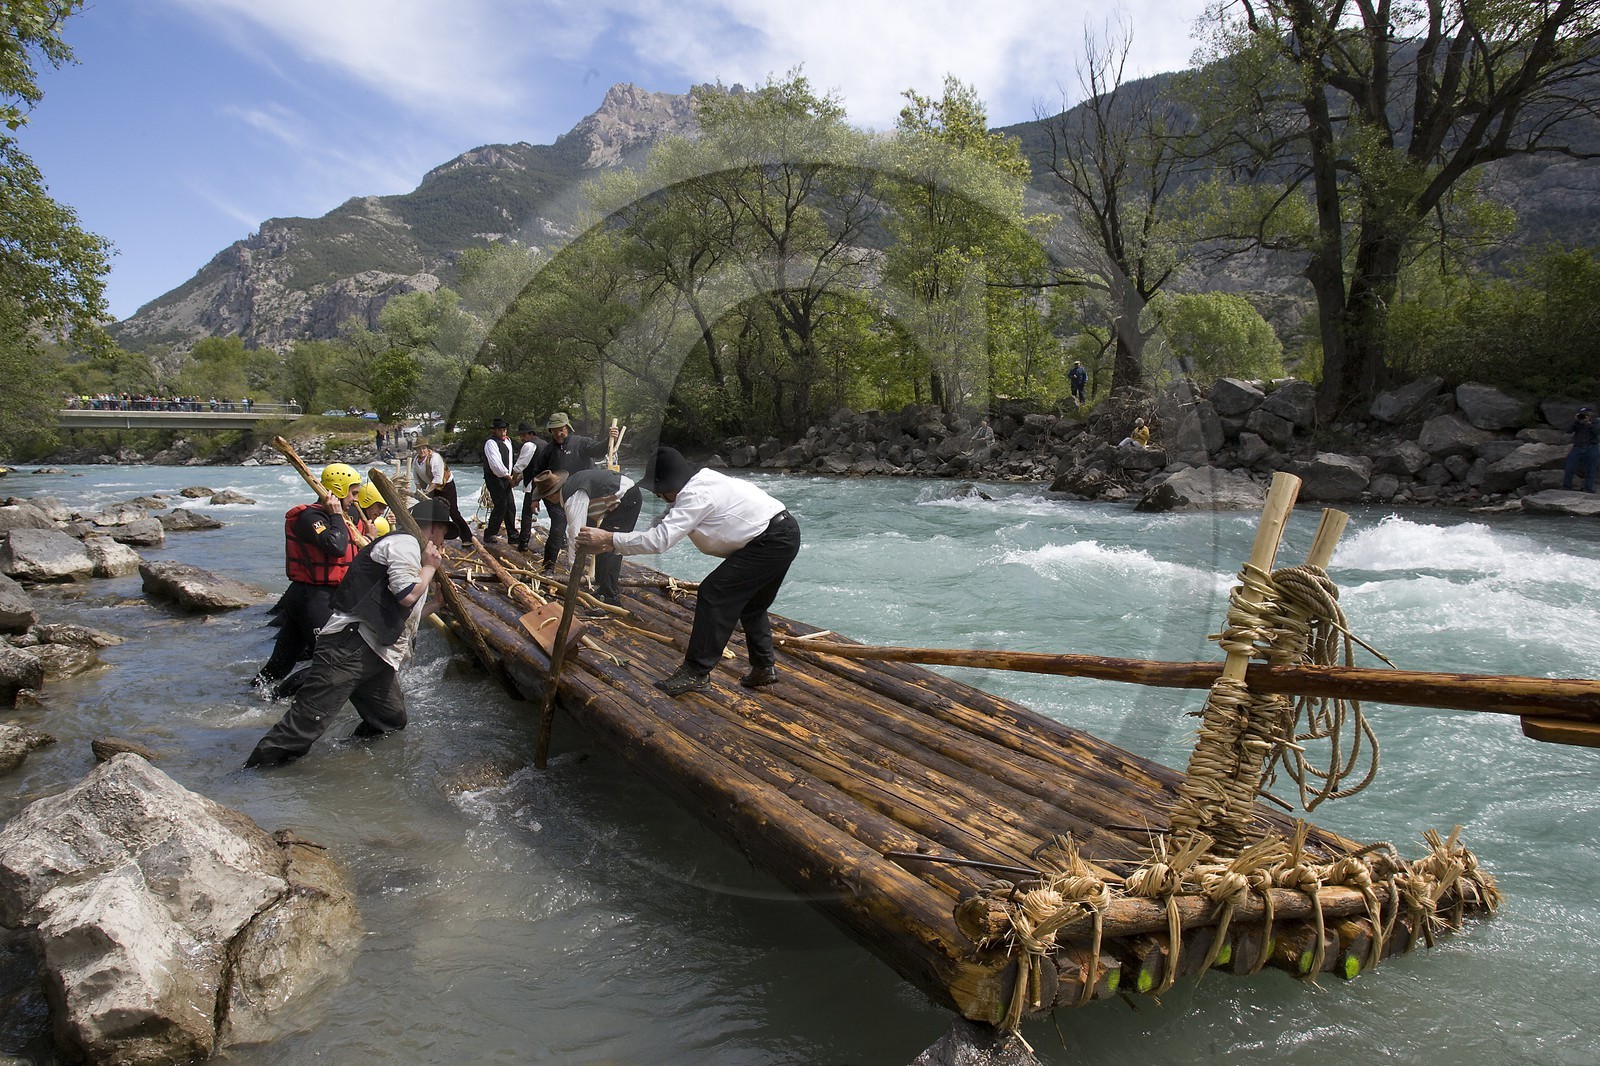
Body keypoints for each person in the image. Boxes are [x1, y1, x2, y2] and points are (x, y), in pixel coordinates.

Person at [245, 497, 452, 767]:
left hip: (377, 654)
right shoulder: (404, 544)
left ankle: (348, 764)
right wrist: (429, 568)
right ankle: (251, 778)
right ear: (435, 528)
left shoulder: (413, 551)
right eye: (444, 533)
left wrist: (435, 603)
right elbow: (405, 595)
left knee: (389, 721)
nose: (444, 540)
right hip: (351, 646)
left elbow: (401, 616)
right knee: (303, 726)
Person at [577, 447, 800, 696]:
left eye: (662, 491)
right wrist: (614, 542)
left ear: (673, 483)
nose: (661, 497)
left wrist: (609, 538)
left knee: (714, 593)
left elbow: (660, 541)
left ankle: (696, 672)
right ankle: (763, 668)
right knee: (752, 605)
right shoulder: (694, 485)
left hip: (772, 540)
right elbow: (662, 523)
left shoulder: (697, 494)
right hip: (781, 534)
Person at [251, 463, 364, 694]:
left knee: (280, 665)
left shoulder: (341, 517)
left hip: (316, 598)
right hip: (311, 599)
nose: (355, 500)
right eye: (353, 493)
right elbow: (336, 546)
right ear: (338, 490)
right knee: (331, 664)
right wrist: (335, 514)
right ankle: (276, 697)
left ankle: (256, 697)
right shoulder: (310, 517)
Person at [533, 466, 642, 606]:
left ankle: (611, 598)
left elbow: (576, 535)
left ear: (550, 496)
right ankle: (603, 589)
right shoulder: (571, 488)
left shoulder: (573, 498)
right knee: (602, 546)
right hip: (621, 499)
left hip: (627, 499)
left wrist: (574, 571)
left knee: (608, 547)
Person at [538, 412, 615, 573]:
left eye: (561, 430)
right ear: (550, 431)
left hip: (585, 495)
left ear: (568, 428)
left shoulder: (581, 443)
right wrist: (533, 500)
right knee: (558, 529)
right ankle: (548, 567)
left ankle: (596, 570)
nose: (558, 434)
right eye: (554, 430)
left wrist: (609, 439)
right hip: (557, 496)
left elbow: (598, 450)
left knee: (591, 530)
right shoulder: (547, 450)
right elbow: (538, 474)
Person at [409, 437, 473, 542]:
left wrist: (427, 491)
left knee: (453, 512)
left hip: (446, 485)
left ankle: (467, 537)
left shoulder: (435, 458)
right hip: (431, 487)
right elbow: (417, 479)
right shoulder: (416, 461)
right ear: (416, 450)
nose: (422, 451)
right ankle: (437, 538)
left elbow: (438, 479)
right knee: (434, 513)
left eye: (424, 448)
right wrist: (419, 491)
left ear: (427, 448)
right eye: (419, 449)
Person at [511, 422, 549, 552]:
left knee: (527, 513)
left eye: (523, 435)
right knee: (553, 510)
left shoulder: (529, 445)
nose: (522, 438)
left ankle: (523, 544)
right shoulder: (544, 444)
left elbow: (520, 465)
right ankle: (563, 541)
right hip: (549, 482)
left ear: (530, 434)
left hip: (535, 483)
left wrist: (513, 479)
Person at [481, 417, 518, 543]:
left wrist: (511, 474)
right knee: (501, 505)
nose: (503, 432)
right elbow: (495, 463)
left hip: (505, 476)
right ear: (495, 430)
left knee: (510, 506)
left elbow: (510, 460)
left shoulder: (508, 441)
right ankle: (489, 533)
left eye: (504, 429)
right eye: (500, 429)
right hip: (494, 478)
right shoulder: (490, 443)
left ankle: (512, 535)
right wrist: (508, 476)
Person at [1563, 406, 1598, 493]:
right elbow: (1568, 431)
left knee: (1591, 470)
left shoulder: (1596, 422)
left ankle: (1588, 489)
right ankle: (1567, 487)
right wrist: (1576, 421)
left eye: (1586, 414)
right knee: (1569, 468)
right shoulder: (1578, 423)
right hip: (1577, 447)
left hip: (1592, 447)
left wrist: (1588, 424)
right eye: (1583, 414)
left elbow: (1597, 432)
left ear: (1591, 414)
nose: (1584, 416)